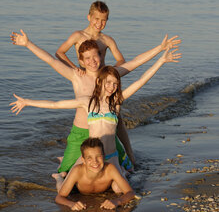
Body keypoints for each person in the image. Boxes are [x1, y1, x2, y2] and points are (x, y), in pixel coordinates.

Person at [10, 31, 181, 173]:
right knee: (65, 171)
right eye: (87, 59)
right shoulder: (76, 76)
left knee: (129, 168)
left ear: (101, 55)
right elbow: (51, 61)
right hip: (81, 132)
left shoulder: (108, 76)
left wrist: (160, 49)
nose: (92, 61)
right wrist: (28, 43)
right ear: (81, 61)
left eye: (95, 56)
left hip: (105, 134)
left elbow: (135, 63)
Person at [55, 137, 135, 211]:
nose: (95, 162)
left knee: (118, 188)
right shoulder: (77, 171)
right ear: (83, 160)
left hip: (103, 189)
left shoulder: (110, 169)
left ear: (104, 157)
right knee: (60, 189)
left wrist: (117, 201)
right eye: (89, 158)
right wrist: (71, 204)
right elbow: (59, 197)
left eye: (98, 156)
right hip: (77, 190)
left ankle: (122, 172)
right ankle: (58, 177)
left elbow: (130, 192)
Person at [55, 0, 125, 70]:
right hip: (83, 77)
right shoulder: (78, 36)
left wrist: (109, 72)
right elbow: (59, 53)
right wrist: (75, 69)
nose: (99, 23)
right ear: (89, 17)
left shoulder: (107, 40)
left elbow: (121, 60)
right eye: (96, 19)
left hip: (100, 77)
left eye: (103, 20)